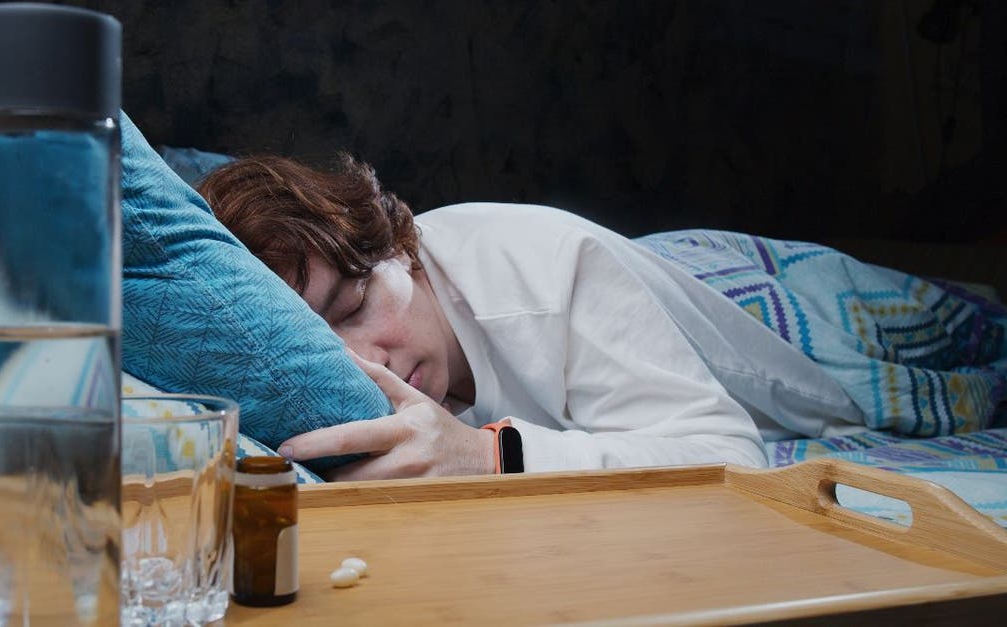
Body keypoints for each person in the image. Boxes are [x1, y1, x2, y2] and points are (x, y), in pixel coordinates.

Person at [197, 155, 1005, 480]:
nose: (365, 362)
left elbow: (728, 450)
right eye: (322, 342)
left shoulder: (544, 272)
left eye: (356, 304)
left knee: (970, 321)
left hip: (752, 292)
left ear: (399, 247)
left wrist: (491, 456)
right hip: (636, 270)